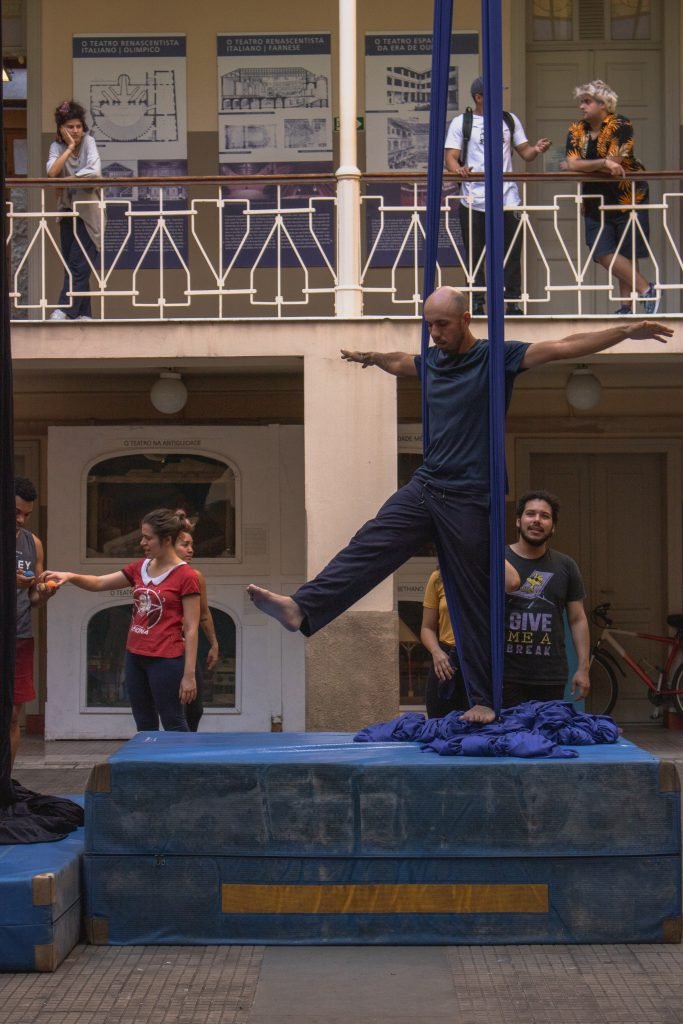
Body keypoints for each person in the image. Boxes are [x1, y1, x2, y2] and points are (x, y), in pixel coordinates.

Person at [247, 285, 672, 724]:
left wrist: (625, 330)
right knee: (370, 542)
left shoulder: (496, 358)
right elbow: (400, 362)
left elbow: (563, 346)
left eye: (442, 325)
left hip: (471, 496)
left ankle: (484, 699)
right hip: (429, 485)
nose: (434, 334)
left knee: (471, 599)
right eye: (429, 325)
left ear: (466, 319)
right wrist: (373, 358)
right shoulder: (431, 361)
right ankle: (303, 608)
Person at [44, 509, 199, 732]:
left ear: (166, 540)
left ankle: (181, 767)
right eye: (142, 536)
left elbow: (192, 628)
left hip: (166, 659)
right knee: (144, 723)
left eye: (148, 537)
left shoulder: (186, 576)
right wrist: (70, 576)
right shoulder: (140, 567)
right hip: (135, 656)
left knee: (173, 721)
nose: (142, 542)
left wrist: (189, 675)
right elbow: (98, 583)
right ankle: (146, 766)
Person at [444, 76, 551, 316]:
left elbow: (525, 153)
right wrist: (457, 169)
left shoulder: (509, 120)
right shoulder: (463, 122)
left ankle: (512, 302)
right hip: (473, 199)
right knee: (475, 253)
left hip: (507, 198)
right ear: (479, 97)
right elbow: (451, 157)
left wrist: (537, 149)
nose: (499, 97)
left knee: (511, 252)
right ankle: (476, 302)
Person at [563, 79, 658, 315]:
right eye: (581, 102)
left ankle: (626, 306)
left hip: (628, 197)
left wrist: (589, 165)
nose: (581, 107)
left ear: (603, 104)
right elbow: (573, 164)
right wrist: (601, 163)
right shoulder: (577, 129)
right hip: (594, 198)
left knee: (627, 252)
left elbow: (612, 163)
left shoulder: (621, 124)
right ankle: (647, 289)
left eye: (587, 102)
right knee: (601, 250)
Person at [504, 491, 590, 706]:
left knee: (544, 737)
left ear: (553, 526)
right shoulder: (498, 560)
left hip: (550, 676)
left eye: (544, 516)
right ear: (518, 521)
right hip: (504, 675)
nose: (536, 520)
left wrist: (583, 668)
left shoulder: (566, 566)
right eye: (530, 514)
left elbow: (577, 619)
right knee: (507, 737)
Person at [421, 561, 521, 718]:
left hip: (479, 658)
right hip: (446, 660)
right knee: (439, 723)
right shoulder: (438, 578)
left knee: (477, 728)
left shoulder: (487, 576)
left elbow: (513, 582)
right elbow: (427, 628)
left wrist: (488, 540)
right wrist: (436, 652)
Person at [13, 477, 57, 767]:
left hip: (20, 636)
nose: (21, 519)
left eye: (27, 514)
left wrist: (45, 590)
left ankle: (5, 783)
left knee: (13, 714)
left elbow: (34, 598)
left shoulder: (33, 543)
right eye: (15, 511)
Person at [46, 99, 103, 321]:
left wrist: (67, 180)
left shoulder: (89, 142)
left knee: (80, 263)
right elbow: (51, 173)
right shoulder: (57, 146)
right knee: (74, 263)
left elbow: (95, 173)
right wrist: (69, 148)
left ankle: (66, 308)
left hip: (89, 214)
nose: (76, 131)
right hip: (67, 211)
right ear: (61, 129)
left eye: (79, 126)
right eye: (70, 127)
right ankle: (84, 313)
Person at [174, 511, 219, 731]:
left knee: (195, 707)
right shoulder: (153, 573)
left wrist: (214, 643)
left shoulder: (195, 576)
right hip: (166, 650)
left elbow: (203, 613)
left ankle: (187, 753)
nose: (191, 550)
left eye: (192, 545)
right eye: (185, 545)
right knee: (175, 708)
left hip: (188, 649)